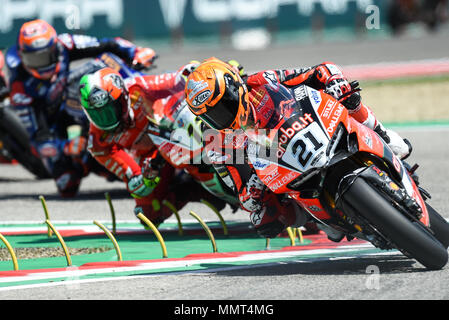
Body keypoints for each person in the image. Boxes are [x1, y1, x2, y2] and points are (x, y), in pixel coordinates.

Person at [184, 57, 412, 240]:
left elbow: (321, 70)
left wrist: (334, 81)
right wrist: (252, 191)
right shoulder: (215, 142)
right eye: (211, 116)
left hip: (310, 128)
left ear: (236, 86)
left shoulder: (262, 80)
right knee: (264, 218)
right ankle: (319, 219)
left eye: (225, 105)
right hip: (280, 168)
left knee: (348, 96)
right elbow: (243, 194)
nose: (221, 117)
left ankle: (381, 134)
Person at [4, 19, 156, 196]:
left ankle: (143, 91)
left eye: (44, 57)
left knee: (105, 60)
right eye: (33, 59)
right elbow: (38, 139)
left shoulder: (64, 43)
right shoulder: (19, 87)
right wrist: (66, 146)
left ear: (55, 49)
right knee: (66, 183)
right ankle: (109, 164)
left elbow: (106, 44)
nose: (40, 64)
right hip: (53, 125)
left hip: (73, 98)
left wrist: (136, 52)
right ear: (22, 56)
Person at [79, 66, 233, 225]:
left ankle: (239, 152)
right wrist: (146, 178)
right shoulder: (97, 142)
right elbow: (132, 179)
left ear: (123, 96)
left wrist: (199, 71)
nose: (106, 119)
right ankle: (194, 190)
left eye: (111, 109)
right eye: (97, 114)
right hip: (152, 158)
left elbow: (178, 77)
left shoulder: (138, 87)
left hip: (174, 132)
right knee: (148, 215)